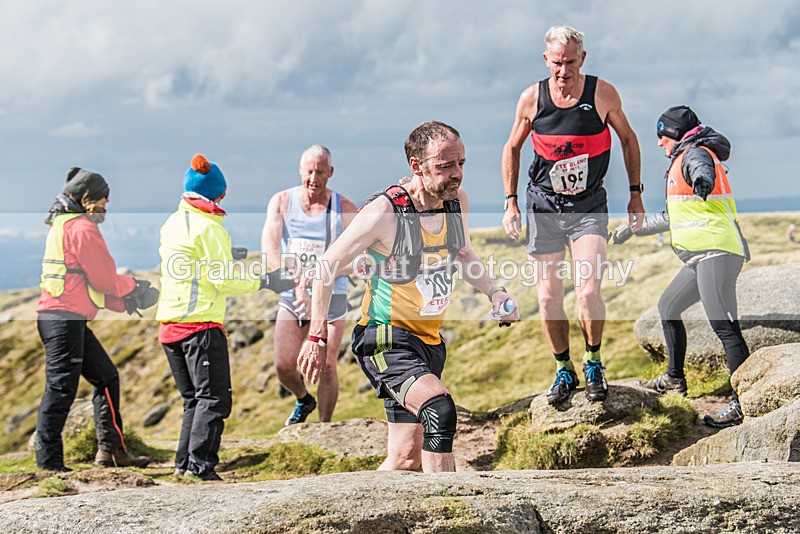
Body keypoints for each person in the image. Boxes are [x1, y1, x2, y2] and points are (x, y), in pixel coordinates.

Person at [297, 121, 520, 473]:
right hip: (385, 338)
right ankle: (449, 510)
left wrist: (495, 292)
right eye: (445, 166)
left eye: (461, 163)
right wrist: (316, 335)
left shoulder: (454, 201)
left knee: (404, 459)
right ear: (416, 166)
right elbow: (326, 266)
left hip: (428, 341)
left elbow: (462, 253)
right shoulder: (385, 212)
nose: (457, 174)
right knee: (439, 409)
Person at [501, 25, 644, 405]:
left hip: (588, 205)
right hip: (544, 205)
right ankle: (564, 369)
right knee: (548, 299)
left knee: (588, 290)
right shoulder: (532, 98)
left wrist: (635, 195)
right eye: (556, 63)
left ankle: (594, 361)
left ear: (583, 59)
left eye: (570, 63)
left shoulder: (603, 93)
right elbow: (511, 148)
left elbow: (629, 139)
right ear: (545, 59)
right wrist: (510, 201)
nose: (563, 71)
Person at [157, 154, 295, 481]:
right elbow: (222, 279)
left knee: (194, 400)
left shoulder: (173, 223)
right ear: (217, 193)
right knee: (215, 400)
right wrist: (266, 281)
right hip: (200, 326)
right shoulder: (210, 229)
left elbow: (192, 264)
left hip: (169, 326)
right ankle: (201, 468)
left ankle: (183, 464)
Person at [612, 105, 750, 428]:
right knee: (668, 306)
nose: (659, 144)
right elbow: (671, 217)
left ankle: (744, 402)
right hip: (700, 255)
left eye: (661, 137)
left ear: (674, 134)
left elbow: (701, 168)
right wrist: (632, 229)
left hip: (717, 252)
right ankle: (675, 378)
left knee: (725, 328)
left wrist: (702, 179)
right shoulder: (682, 158)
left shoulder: (694, 154)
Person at [35, 168, 158, 471]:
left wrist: (124, 302)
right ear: (88, 198)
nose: (107, 202)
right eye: (104, 196)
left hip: (62, 316)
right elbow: (103, 279)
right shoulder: (82, 228)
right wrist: (134, 288)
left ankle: (111, 451)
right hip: (65, 320)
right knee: (61, 388)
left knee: (105, 377)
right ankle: (49, 461)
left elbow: (84, 282)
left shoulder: (62, 224)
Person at [261, 145, 358, 426]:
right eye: (309, 171)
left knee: (326, 364)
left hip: (332, 295)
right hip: (293, 293)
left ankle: (324, 425)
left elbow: (361, 258)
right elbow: (269, 247)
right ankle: (304, 398)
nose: (314, 177)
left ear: (330, 172)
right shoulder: (281, 202)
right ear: (301, 170)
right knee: (283, 365)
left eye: (320, 171)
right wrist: (296, 286)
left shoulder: (345, 209)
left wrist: (323, 272)